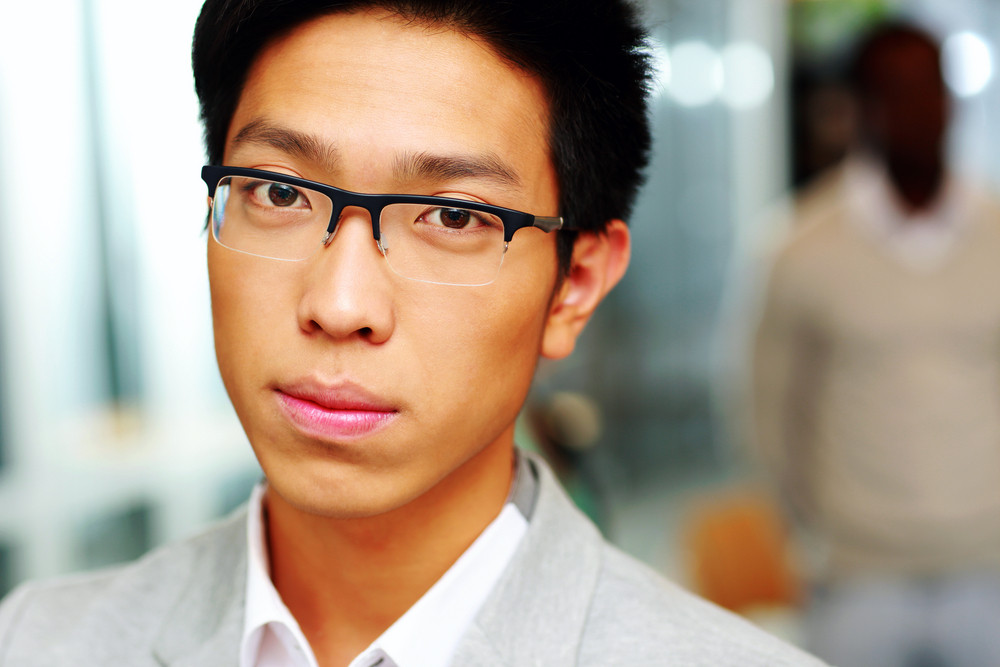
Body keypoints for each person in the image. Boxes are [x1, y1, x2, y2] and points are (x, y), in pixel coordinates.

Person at [0, 1, 824, 665]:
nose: (341, 302)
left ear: (574, 285)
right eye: (279, 193)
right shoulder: (37, 640)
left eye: (454, 214)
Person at [753, 21, 1000, 667]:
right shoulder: (801, 248)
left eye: (930, 88)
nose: (918, 108)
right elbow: (769, 411)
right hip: (859, 576)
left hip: (991, 567)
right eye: (894, 91)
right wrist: (819, 524)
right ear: (859, 108)